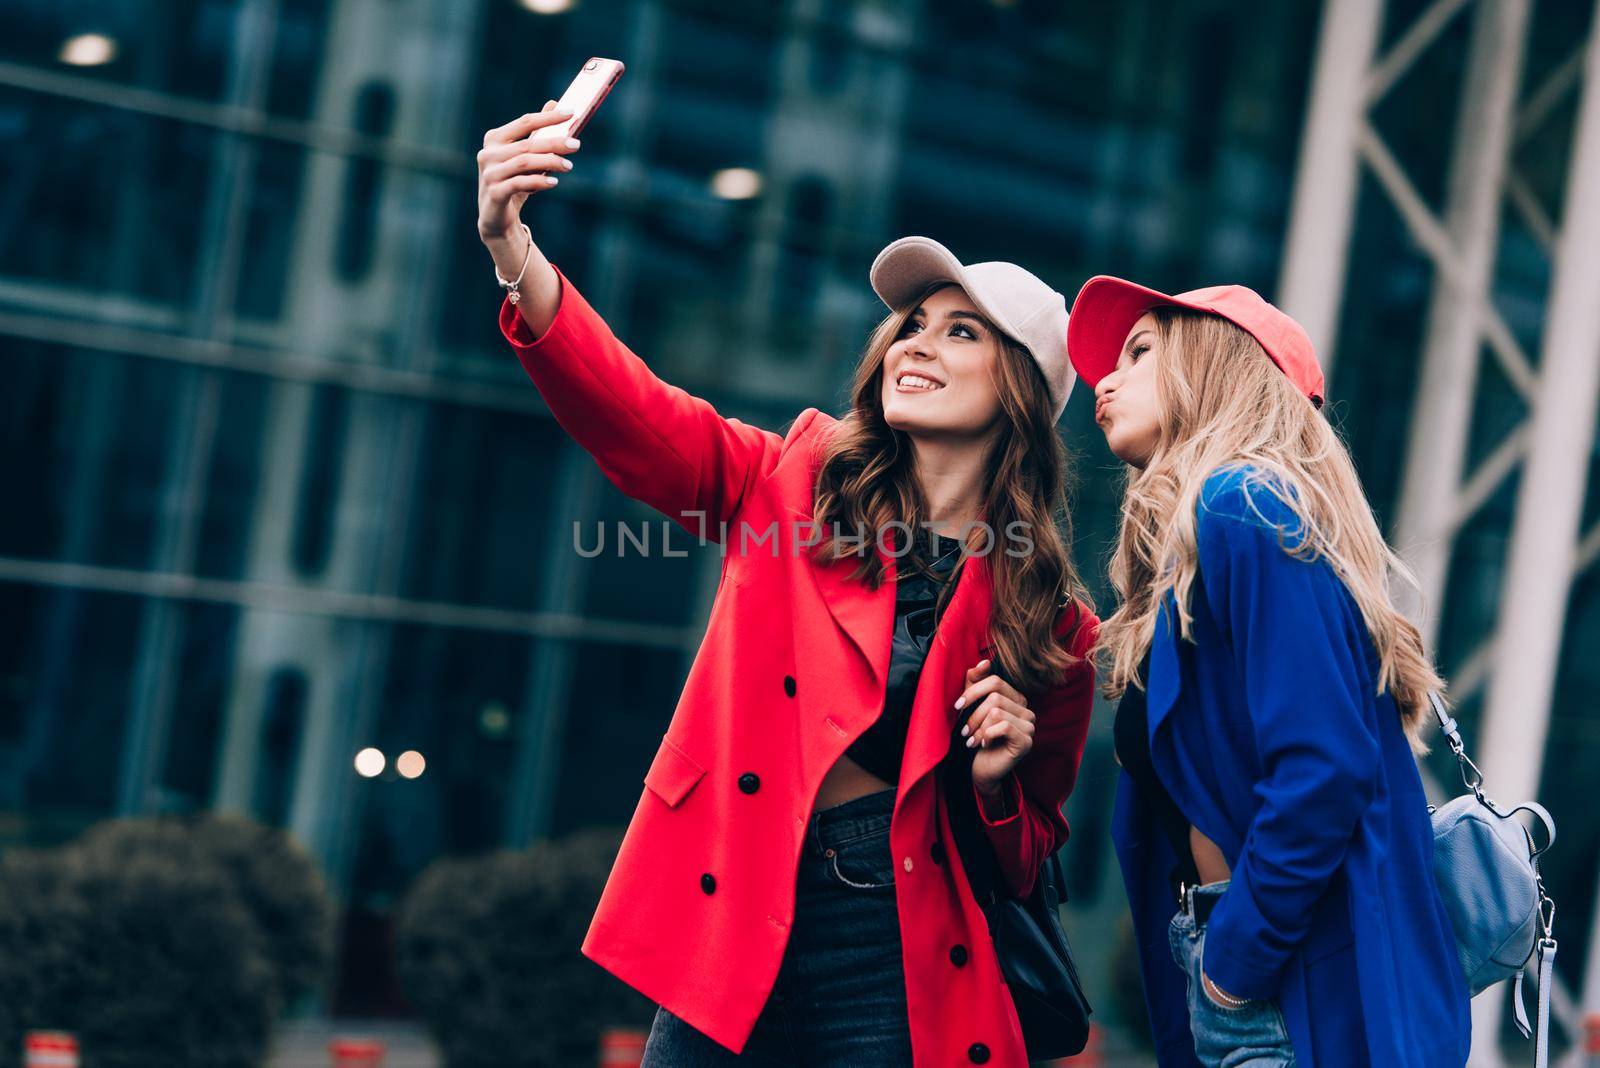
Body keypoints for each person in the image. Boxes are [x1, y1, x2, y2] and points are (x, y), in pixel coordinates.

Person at [475, 102, 1098, 1066]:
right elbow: (633, 416)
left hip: (895, 947)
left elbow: (1026, 859)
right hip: (737, 909)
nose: (916, 344)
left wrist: (997, 780)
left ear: (1019, 388)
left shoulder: (1052, 620)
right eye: (913, 324)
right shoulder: (792, 484)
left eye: (960, 333)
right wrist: (513, 246)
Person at [1069, 276, 1471, 1067]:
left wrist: (1231, 968)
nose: (1105, 382)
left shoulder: (1242, 505)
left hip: (1287, 985)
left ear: (1215, 366)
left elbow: (1324, 769)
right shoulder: (1219, 534)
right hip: (1264, 968)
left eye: (1140, 350)